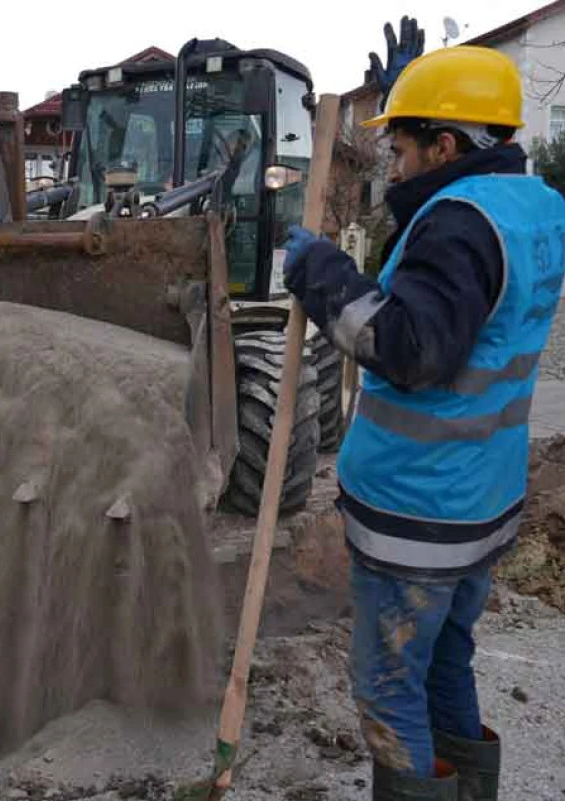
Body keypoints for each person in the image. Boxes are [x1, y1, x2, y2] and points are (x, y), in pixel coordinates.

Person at [281, 45, 565, 801]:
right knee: (445, 664)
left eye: (403, 147)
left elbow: (407, 347)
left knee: (389, 691)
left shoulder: (460, 224)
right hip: (480, 499)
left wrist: (319, 273)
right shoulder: (534, 207)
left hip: (420, 514)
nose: (395, 167)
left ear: (447, 146)